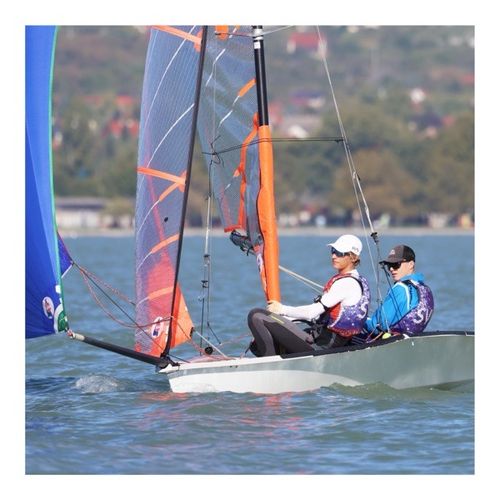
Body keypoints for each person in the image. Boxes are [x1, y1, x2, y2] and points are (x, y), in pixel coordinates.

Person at [247, 234, 371, 357]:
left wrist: (281, 309)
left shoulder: (346, 283)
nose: (334, 256)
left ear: (353, 257)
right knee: (256, 344)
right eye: (333, 251)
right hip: (323, 340)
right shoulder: (355, 279)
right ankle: (275, 360)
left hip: (321, 347)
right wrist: (283, 319)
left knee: (257, 316)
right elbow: (317, 317)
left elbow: (311, 313)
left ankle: (272, 365)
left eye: (340, 253)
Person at [362, 244, 434, 339]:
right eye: (389, 265)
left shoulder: (400, 288)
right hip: (411, 339)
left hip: (392, 342)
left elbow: (378, 326)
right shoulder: (423, 288)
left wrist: (360, 319)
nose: (391, 269)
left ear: (411, 264)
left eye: (396, 264)